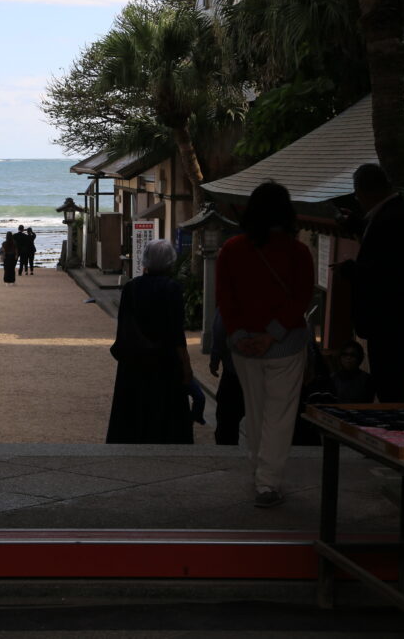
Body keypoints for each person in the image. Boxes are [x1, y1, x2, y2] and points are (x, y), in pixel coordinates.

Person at [216, 181, 313, 509]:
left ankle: (258, 469)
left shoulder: (232, 249)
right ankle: (267, 482)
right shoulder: (298, 252)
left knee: (255, 411)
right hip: (285, 346)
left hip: (244, 347)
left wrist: (240, 334)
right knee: (279, 415)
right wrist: (272, 334)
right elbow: (301, 298)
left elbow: (225, 297)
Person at [107, 239, 194, 444]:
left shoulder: (131, 287)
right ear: (170, 262)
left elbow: (123, 325)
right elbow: (176, 332)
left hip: (134, 360)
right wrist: (186, 364)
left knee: (134, 409)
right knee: (164, 411)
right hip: (165, 360)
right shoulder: (172, 288)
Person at [337, 163, 404, 403]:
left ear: (364, 192)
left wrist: (352, 270)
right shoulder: (393, 213)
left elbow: (387, 270)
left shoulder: (390, 219)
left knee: (390, 384)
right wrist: (359, 225)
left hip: (387, 319)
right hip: (390, 319)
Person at [209, 309, 245, 445]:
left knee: (227, 426)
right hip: (264, 374)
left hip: (235, 374)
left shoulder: (230, 304)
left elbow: (219, 332)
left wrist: (215, 360)